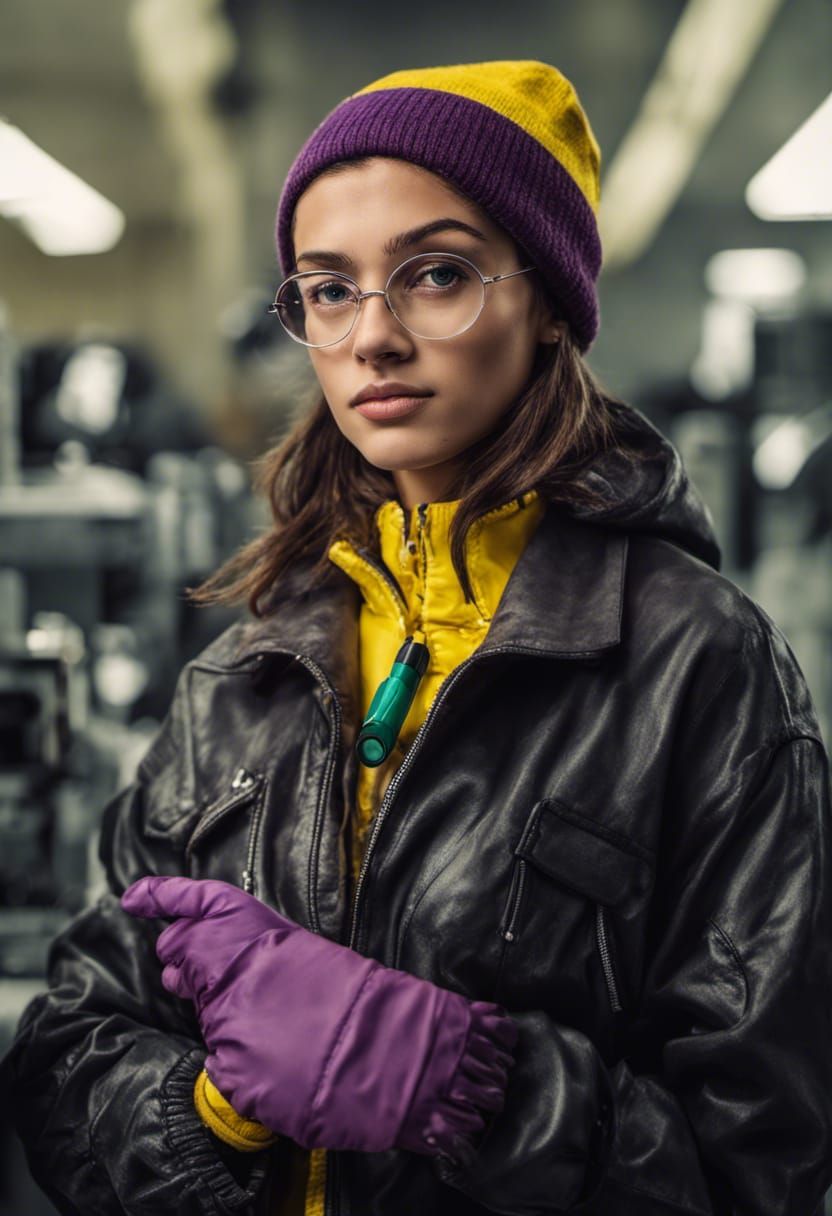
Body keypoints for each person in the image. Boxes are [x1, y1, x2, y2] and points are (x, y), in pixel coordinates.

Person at [3, 58, 832, 1216]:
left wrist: (462, 1083)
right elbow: (66, 1051)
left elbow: (763, 1169)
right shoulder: (247, 669)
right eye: (328, 290)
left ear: (547, 299)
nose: (372, 337)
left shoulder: (699, 664)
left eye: (434, 274)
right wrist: (214, 1108)